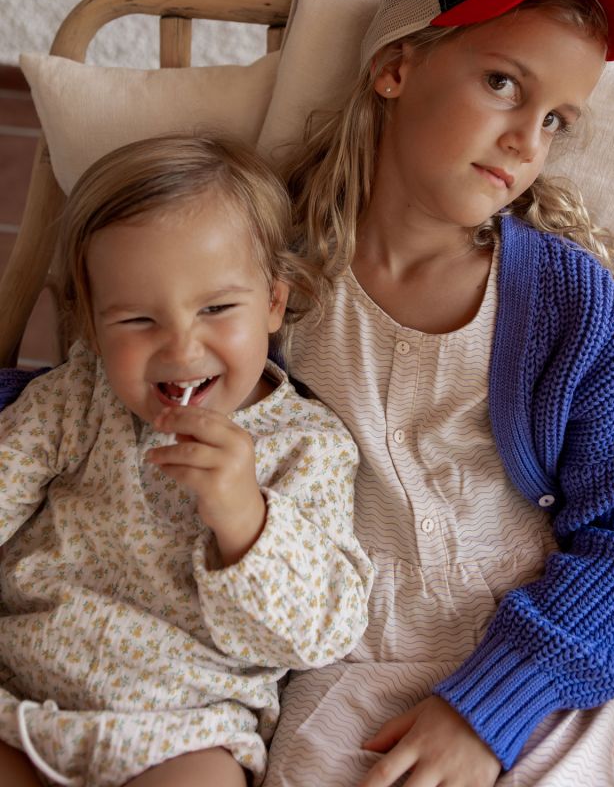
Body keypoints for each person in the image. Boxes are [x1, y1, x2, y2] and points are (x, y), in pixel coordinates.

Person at [262, 0, 614, 786]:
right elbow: (136, 378)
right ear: (396, 67)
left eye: (556, 120)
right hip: (340, 666)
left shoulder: (571, 307)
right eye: (503, 83)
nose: (527, 141)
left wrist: (492, 707)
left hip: (543, 666)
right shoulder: (272, 269)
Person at [0, 135, 373, 787]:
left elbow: (325, 629)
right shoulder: (79, 395)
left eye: (216, 309)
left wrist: (247, 520)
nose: (180, 347)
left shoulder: (307, 445)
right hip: (23, 691)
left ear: (274, 302)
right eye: (137, 320)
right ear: (94, 326)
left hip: (185, 726)